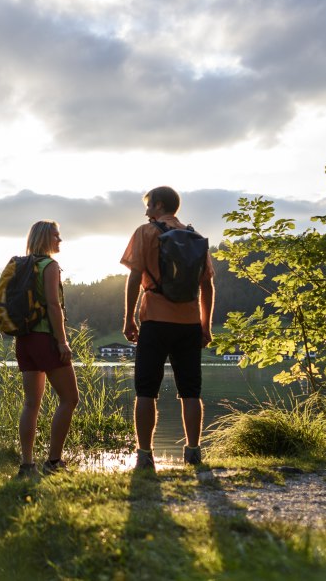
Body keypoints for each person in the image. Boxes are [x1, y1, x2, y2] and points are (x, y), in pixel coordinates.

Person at [121, 186, 214, 470]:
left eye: (149, 205)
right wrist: (205, 326)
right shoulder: (194, 237)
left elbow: (135, 277)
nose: (146, 212)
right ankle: (193, 453)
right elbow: (207, 285)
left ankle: (145, 456)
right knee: (191, 391)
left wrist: (129, 318)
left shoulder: (145, 233)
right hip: (189, 323)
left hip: (155, 320)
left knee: (146, 390)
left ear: (159, 205)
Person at [15, 220, 80, 478]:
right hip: (45, 338)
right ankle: (53, 462)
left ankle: (27, 465)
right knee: (70, 398)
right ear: (45, 238)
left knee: (31, 403)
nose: (60, 240)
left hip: (24, 339)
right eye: (56, 236)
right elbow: (54, 305)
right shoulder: (49, 266)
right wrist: (62, 341)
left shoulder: (22, 266)